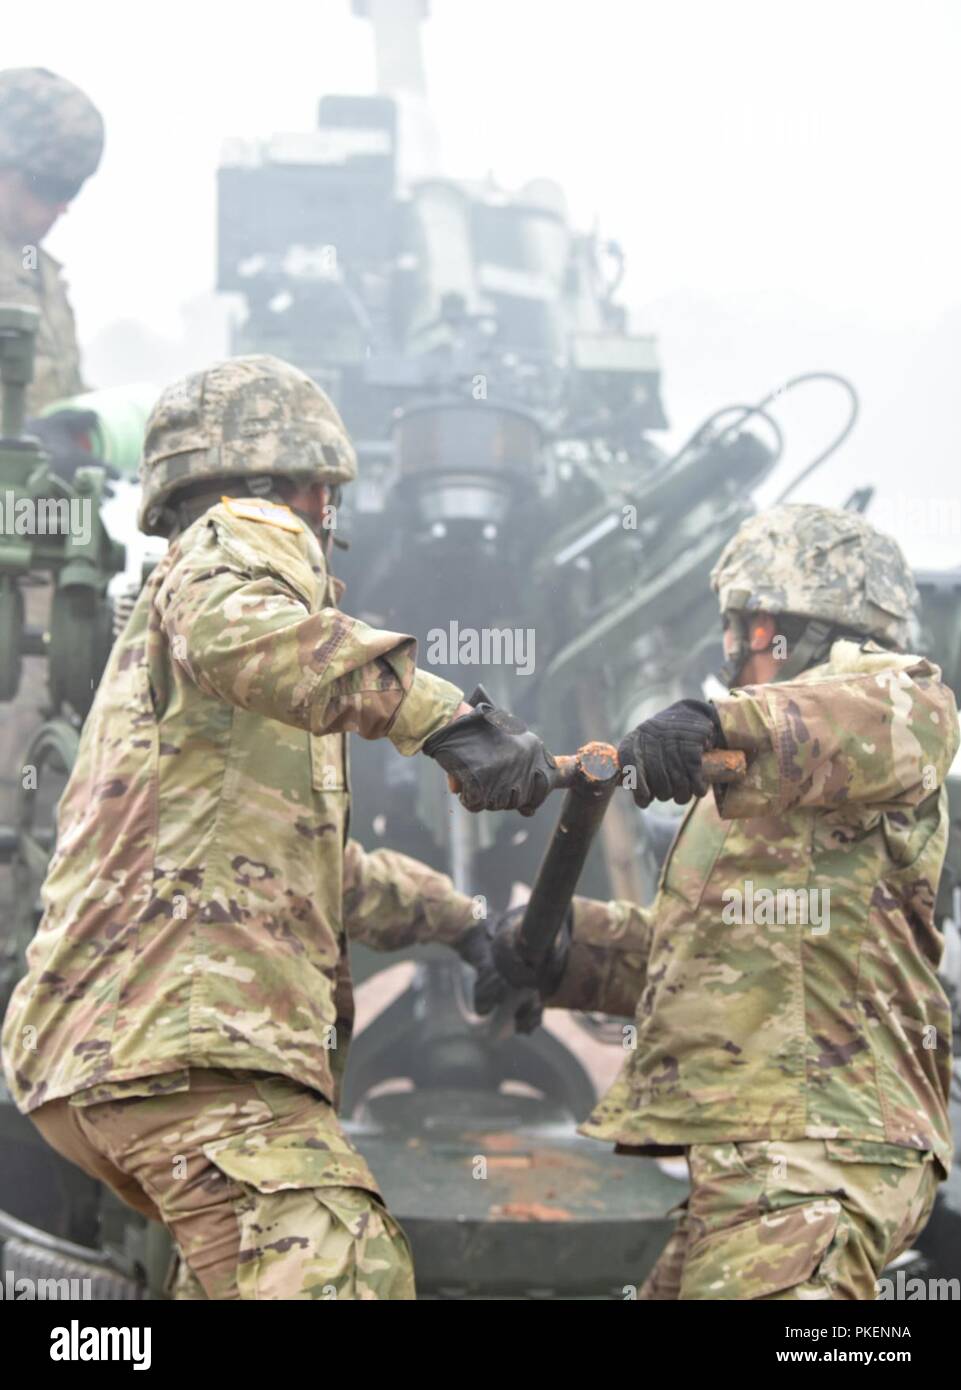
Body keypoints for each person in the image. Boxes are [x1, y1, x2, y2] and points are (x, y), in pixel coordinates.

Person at [0, 353, 553, 1300]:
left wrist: (460, 922)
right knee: (342, 1270)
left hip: (121, 1062)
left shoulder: (209, 691)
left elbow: (312, 872)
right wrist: (446, 720)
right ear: (288, 483)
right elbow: (241, 629)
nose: (328, 522)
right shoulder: (245, 534)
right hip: (185, 1054)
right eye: (324, 495)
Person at [479, 504, 959, 1300]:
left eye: (737, 624)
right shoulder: (760, 780)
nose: (728, 649)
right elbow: (722, 957)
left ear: (768, 623)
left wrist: (714, 719)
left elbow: (901, 718)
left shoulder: (888, 697)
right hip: (751, 1166)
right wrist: (570, 950)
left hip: (816, 1151)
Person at [0, 66, 103, 414]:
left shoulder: (31, 262)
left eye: (72, 190)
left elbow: (53, 390)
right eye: (48, 186)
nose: (61, 207)